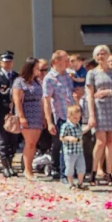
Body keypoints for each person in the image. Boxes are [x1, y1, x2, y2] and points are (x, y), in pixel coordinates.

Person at [85, 46, 112, 184]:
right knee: (100, 142)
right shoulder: (92, 73)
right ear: (95, 57)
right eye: (99, 54)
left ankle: (109, 172)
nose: (101, 56)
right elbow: (89, 95)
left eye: (104, 53)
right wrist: (91, 115)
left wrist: (108, 92)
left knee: (111, 142)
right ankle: (94, 172)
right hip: (99, 108)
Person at [43, 50, 74, 181]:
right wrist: (49, 122)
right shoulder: (49, 78)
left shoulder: (67, 75)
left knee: (71, 145)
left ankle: (70, 171)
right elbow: (47, 101)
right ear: (56, 61)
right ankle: (61, 171)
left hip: (72, 116)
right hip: (60, 116)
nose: (68, 63)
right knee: (61, 145)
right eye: (65, 60)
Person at [12, 57, 44, 181]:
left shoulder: (37, 82)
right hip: (27, 113)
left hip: (37, 113)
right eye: (37, 68)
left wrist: (43, 117)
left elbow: (41, 99)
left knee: (33, 144)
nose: (39, 70)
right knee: (29, 143)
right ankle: (27, 169)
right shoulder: (19, 82)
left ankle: (28, 167)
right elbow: (17, 101)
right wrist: (21, 116)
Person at [0, 50, 18, 178]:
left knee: (14, 141)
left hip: (14, 114)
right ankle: (5, 167)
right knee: (3, 141)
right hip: (1, 114)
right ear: (1, 63)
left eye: (10, 61)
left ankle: (10, 165)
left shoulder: (16, 76)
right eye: (5, 62)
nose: (8, 64)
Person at [58, 104, 87, 189]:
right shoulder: (65, 126)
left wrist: (89, 126)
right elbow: (61, 137)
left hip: (79, 151)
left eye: (78, 118)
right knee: (70, 168)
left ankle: (80, 183)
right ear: (69, 116)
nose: (77, 119)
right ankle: (71, 183)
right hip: (70, 151)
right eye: (75, 118)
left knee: (81, 167)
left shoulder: (78, 125)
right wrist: (69, 138)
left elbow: (81, 132)